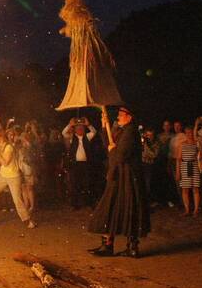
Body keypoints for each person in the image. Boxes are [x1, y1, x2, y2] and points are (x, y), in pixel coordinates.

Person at [88, 106, 150, 257]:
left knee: (125, 207)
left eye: (122, 115)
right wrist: (104, 126)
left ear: (130, 117)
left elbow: (120, 155)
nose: (118, 117)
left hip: (127, 177)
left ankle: (131, 248)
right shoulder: (124, 130)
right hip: (120, 175)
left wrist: (112, 150)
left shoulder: (130, 131)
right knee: (114, 207)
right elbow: (108, 144)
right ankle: (109, 245)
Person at [0, 129, 35, 229]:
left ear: (0, 138)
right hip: (2, 175)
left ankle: (27, 221)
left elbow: (5, 162)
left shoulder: (9, 147)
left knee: (17, 200)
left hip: (13, 177)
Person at [62, 116, 97, 209]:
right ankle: (75, 204)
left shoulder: (87, 137)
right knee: (75, 184)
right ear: (75, 129)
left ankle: (88, 203)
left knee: (86, 184)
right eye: (78, 128)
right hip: (75, 164)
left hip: (85, 164)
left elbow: (94, 132)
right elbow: (64, 132)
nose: (80, 129)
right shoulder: (72, 137)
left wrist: (88, 124)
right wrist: (70, 125)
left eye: (81, 127)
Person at [175, 125, 201, 215]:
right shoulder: (182, 144)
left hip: (194, 166)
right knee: (185, 189)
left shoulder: (196, 144)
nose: (189, 134)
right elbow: (178, 159)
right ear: (185, 134)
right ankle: (187, 209)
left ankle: (196, 209)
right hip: (185, 166)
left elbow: (200, 156)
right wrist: (178, 172)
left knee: (195, 188)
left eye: (191, 133)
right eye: (187, 133)